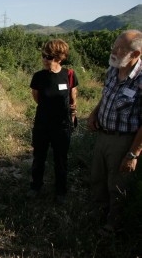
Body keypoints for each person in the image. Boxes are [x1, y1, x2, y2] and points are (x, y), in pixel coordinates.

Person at [87, 29, 142, 234]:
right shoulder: (113, 69)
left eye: (120, 49)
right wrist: (94, 113)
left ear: (135, 54)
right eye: (114, 46)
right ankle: (97, 215)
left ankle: (113, 225)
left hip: (124, 140)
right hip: (103, 135)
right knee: (97, 178)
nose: (114, 51)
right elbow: (106, 97)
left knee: (116, 184)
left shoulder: (140, 78)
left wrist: (133, 153)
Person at [28, 39, 78, 203]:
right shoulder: (38, 77)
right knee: (39, 156)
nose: (44, 59)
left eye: (48, 56)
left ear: (59, 57)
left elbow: (72, 97)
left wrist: (72, 114)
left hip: (62, 125)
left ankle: (61, 191)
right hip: (42, 123)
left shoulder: (68, 75)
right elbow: (37, 98)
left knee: (61, 159)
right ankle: (35, 186)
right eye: (43, 55)